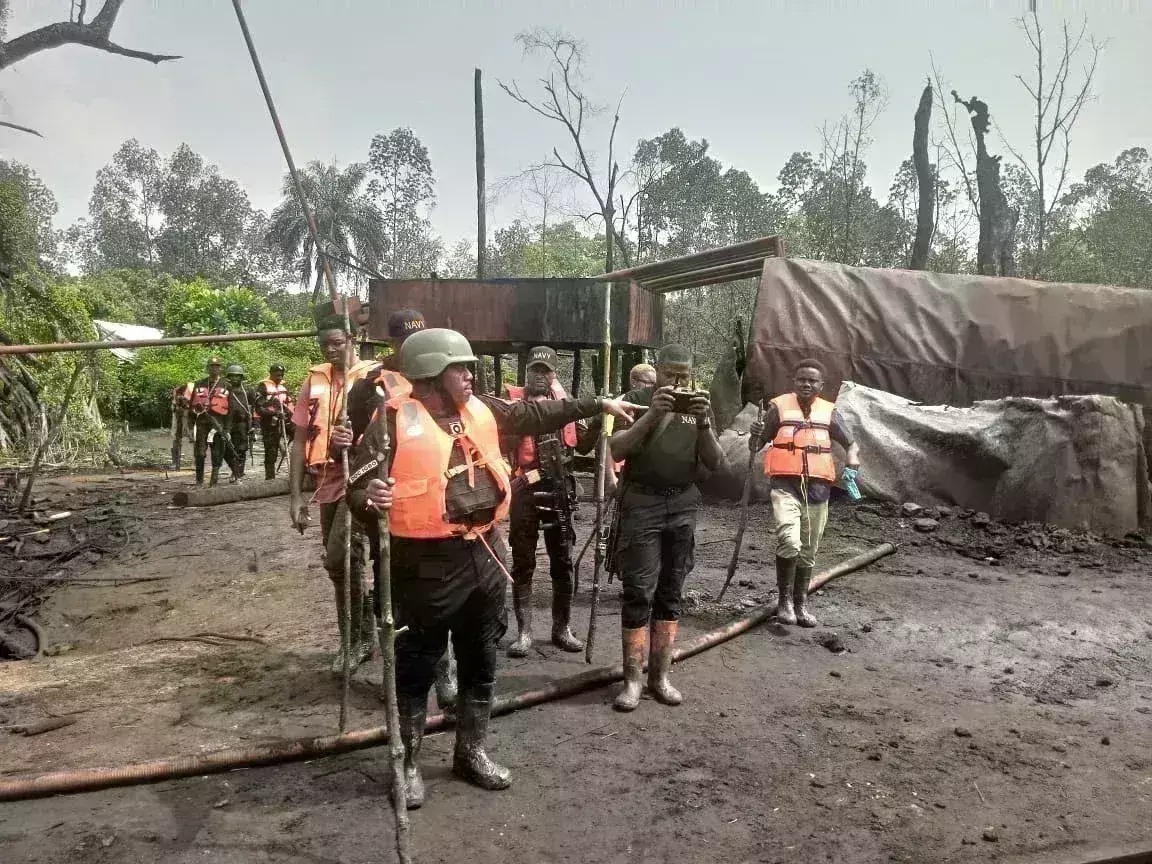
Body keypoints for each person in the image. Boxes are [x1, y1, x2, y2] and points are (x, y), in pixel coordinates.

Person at [346, 328, 638, 807]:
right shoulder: (391, 421)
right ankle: (408, 765)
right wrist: (369, 497)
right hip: (422, 564)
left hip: (484, 555)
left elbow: (536, 414)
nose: (470, 375)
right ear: (431, 375)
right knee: (416, 665)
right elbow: (357, 488)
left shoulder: (483, 409)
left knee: (481, 659)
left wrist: (597, 404)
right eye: (459, 369)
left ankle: (470, 752)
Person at [346, 308, 457, 710]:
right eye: (403, 339)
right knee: (390, 594)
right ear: (391, 342)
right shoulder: (369, 386)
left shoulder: (441, 374)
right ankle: (394, 673)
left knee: (440, 593)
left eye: (417, 336)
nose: (411, 345)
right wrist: (344, 441)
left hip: (436, 504)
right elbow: (355, 441)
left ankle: (444, 672)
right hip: (389, 504)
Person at [605, 344, 724, 712]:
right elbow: (616, 450)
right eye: (671, 373)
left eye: (684, 374)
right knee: (639, 590)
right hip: (642, 504)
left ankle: (660, 676)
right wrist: (653, 414)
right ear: (657, 369)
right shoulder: (636, 400)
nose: (678, 381)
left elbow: (716, 461)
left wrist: (704, 423)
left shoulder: (700, 405)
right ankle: (632, 680)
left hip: (682, 504)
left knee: (672, 590)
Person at [289, 325, 376, 674]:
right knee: (342, 564)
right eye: (324, 344)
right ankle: (358, 635)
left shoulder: (372, 377)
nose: (330, 350)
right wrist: (296, 496)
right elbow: (299, 440)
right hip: (325, 479)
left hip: (360, 476)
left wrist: (354, 440)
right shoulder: (313, 381)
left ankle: (356, 640)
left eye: (338, 343)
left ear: (352, 340)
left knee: (340, 557)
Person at [748, 359, 860, 628]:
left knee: (808, 551)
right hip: (785, 486)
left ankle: (800, 603)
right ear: (794, 381)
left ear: (821, 385)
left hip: (818, 490)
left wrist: (852, 462)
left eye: (812, 381)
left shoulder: (830, 413)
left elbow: (851, 444)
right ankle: (784, 602)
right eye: (801, 379)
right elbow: (755, 446)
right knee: (789, 541)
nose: (806, 384)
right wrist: (755, 434)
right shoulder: (778, 409)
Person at [503, 345, 583, 657]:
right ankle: (524, 633)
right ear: (526, 373)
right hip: (524, 490)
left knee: (562, 560)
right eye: (535, 369)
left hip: (559, 488)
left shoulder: (566, 405)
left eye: (545, 371)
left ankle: (562, 627)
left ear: (553, 375)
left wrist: (600, 425)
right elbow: (498, 444)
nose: (540, 376)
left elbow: (581, 445)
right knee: (523, 561)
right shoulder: (511, 406)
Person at [189, 356, 232, 487]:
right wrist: (190, 427)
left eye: (217, 366)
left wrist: (227, 429)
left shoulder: (226, 385)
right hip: (202, 422)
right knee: (200, 453)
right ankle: (199, 481)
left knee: (217, 453)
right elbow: (191, 407)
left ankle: (214, 481)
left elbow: (230, 410)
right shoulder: (199, 384)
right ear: (208, 368)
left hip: (218, 423)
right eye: (212, 366)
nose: (214, 369)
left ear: (220, 368)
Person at [255, 364, 295, 481]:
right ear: (271, 373)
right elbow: (259, 408)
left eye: (281, 374)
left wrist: (292, 417)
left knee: (299, 437)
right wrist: (274, 413)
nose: (280, 377)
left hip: (285, 420)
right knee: (271, 450)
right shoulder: (263, 386)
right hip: (269, 423)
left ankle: (298, 472)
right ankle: (270, 477)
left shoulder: (284, 386)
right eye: (277, 374)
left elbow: (290, 404)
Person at [225, 364, 253, 484]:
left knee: (241, 449)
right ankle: (234, 470)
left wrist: (252, 425)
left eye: (238, 376)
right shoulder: (225, 389)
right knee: (227, 450)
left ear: (242, 377)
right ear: (229, 377)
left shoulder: (248, 390)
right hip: (227, 423)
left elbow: (252, 409)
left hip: (242, 423)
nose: (235, 378)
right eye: (232, 376)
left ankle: (238, 474)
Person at [169, 382, 194, 470]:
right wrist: (178, 406)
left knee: (195, 437)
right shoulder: (178, 391)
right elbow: (175, 406)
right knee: (176, 438)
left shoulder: (194, 390)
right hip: (178, 414)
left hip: (190, 415)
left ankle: (197, 462)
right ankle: (175, 462)